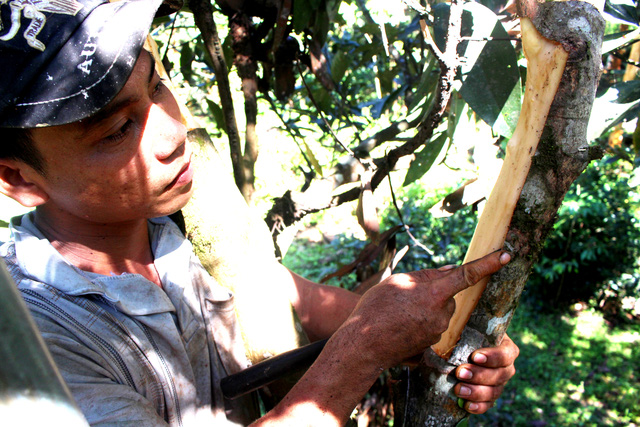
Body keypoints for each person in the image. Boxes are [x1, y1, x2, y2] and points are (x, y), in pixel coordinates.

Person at [0, 0, 519, 425]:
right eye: (116, 130)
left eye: (156, 85)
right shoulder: (33, 351)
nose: (173, 133)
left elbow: (274, 287)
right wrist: (363, 350)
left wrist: (437, 337)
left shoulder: (161, 227)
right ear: (20, 180)